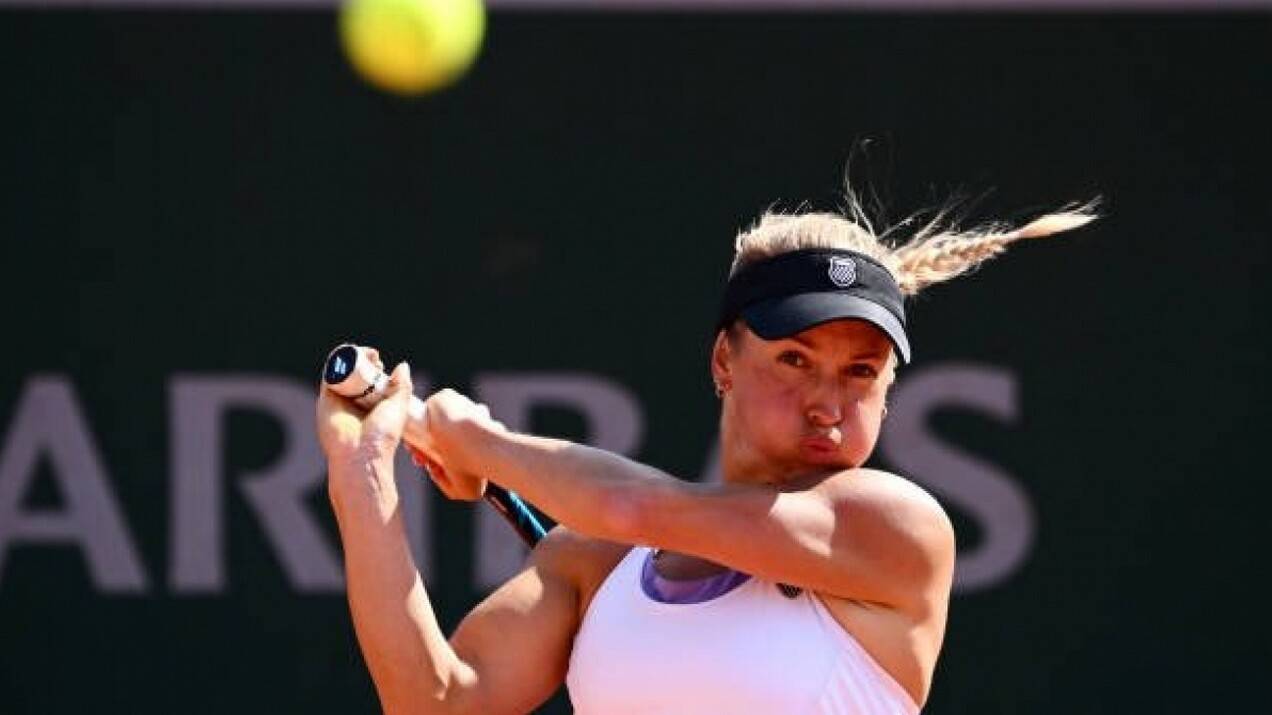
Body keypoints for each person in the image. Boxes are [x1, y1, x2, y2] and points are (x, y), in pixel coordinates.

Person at [316, 197, 1093, 714]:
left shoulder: (892, 527)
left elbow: (630, 504)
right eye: (795, 360)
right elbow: (435, 702)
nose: (827, 403)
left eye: (860, 372)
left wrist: (481, 442)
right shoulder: (593, 562)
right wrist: (361, 472)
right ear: (725, 359)